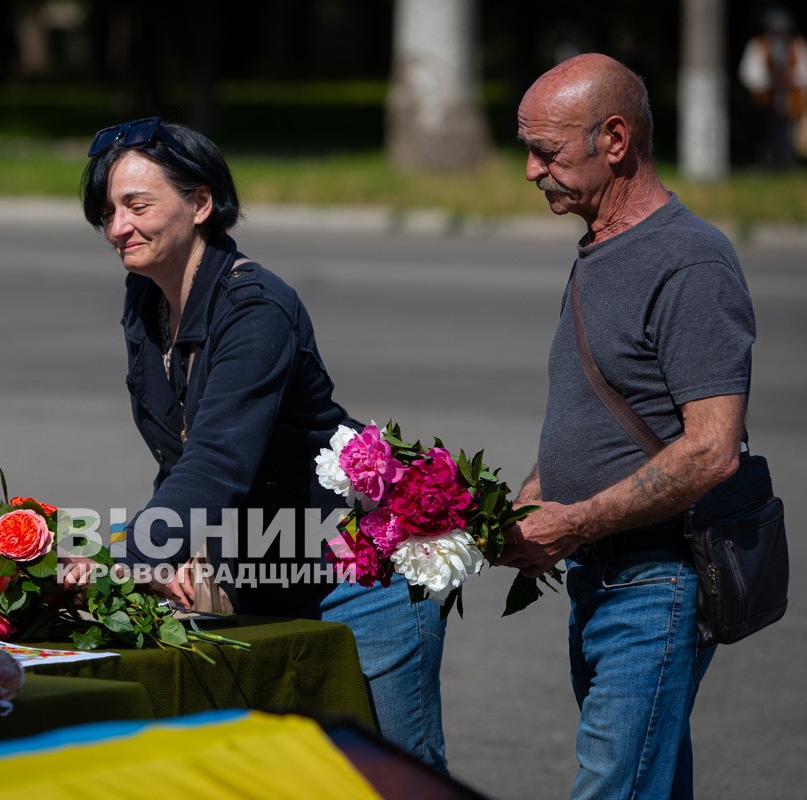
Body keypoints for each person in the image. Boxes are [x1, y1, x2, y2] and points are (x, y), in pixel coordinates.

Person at [72, 116, 448, 771]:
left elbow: (219, 460)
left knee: (395, 776)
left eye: (136, 205)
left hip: (362, 574)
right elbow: (180, 456)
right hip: (268, 567)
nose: (117, 228)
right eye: (107, 212)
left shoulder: (256, 307)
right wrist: (177, 547)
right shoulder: (146, 299)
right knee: (289, 775)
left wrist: (127, 557)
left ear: (200, 203)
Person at [501, 54, 756, 799]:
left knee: (614, 785)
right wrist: (524, 504)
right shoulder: (600, 252)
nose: (529, 170)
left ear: (614, 140)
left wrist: (575, 519)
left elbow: (711, 451)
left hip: (658, 580)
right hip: (599, 575)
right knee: (650, 779)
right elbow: (597, 412)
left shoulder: (690, 260)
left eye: (545, 151)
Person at [738, 6, 807, 169]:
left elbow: (804, 72)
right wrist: (770, 80)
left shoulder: (797, 45)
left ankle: (786, 162)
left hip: (791, 98)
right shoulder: (759, 45)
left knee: (789, 133)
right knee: (766, 134)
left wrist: (792, 77)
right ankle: (768, 163)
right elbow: (749, 73)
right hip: (765, 100)